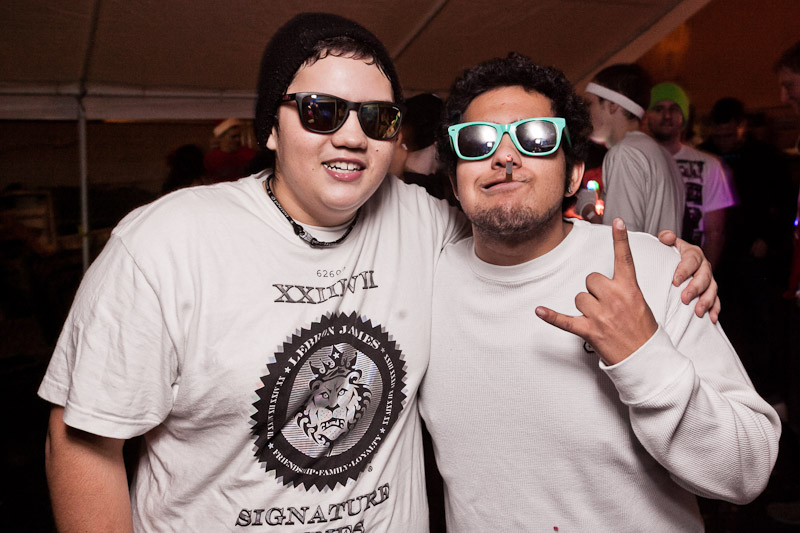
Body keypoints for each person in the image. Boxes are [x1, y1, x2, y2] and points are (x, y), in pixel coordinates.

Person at [38, 13, 717, 532]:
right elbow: (83, 444)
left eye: (377, 117)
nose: (350, 135)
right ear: (270, 127)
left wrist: (663, 260)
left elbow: (524, 228)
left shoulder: (422, 223)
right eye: (321, 111)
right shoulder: (166, 245)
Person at [419, 53, 780, 532]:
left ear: (574, 174)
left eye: (536, 137)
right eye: (477, 141)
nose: (505, 156)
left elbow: (747, 469)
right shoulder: (424, 281)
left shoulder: (652, 269)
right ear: (454, 180)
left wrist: (644, 358)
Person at [583, 64, 684, 236]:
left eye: (589, 104)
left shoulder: (624, 154)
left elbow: (621, 239)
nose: (585, 113)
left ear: (612, 105)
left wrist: (589, 211)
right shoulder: (663, 154)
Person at [647, 82, 736, 269]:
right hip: (648, 264)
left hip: (692, 266)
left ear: (684, 116)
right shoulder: (638, 162)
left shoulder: (710, 165)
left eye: (674, 109)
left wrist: (704, 273)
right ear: (647, 115)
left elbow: (715, 232)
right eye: (659, 109)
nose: (667, 115)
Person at [203, 118, 257, 182]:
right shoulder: (210, 158)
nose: (238, 139)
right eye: (233, 136)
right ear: (221, 138)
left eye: (239, 136)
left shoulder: (250, 155)